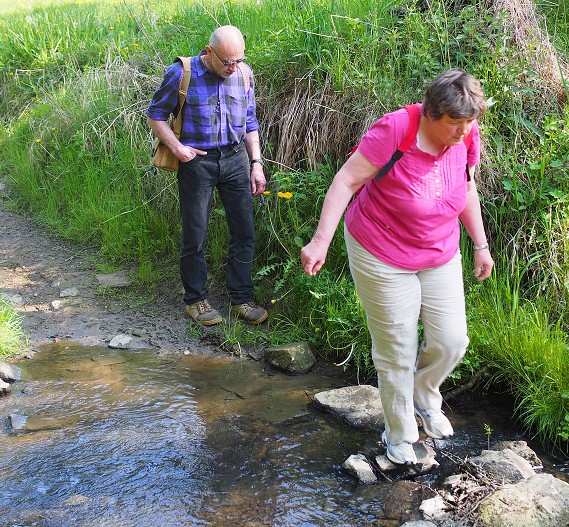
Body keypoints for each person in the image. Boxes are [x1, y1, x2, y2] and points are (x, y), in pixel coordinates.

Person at [301, 69, 494, 465]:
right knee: (397, 350)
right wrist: (321, 240)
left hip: (438, 250)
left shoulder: (466, 134)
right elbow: (345, 182)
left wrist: (481, 243)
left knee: (452, 341)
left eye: (469, 123)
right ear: (431, 113)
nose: (463, 132)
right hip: (381, 251)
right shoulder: (396, 130)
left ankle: (425, 395)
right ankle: (400, 434)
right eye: (454, 124)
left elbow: (466, 187)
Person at [147, 25, 268, 326]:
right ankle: (196, 301)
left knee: (244, 231)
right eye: (227, 61)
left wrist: (256, 163)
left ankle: (241, 298)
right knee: (195, 233)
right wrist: (177, 148)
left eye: (238, 60)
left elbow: (250, 121)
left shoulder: (243, 74)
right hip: (197, 162)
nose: (233, 67)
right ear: (209, 52)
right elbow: (156, 114)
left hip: (236, 159)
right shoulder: (181, 72)